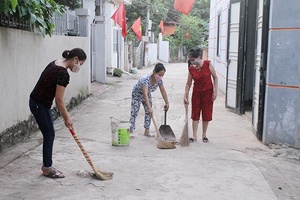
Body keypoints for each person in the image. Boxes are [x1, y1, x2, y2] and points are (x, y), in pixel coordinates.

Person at [29, 48, 87, 178]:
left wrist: (65, 116)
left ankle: (47, 165)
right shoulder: (63, 74)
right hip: (40, 105)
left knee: (49, 133)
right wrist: (67, 117)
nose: (79, 67)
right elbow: (59, 100)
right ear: (75, 59)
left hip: (37, 102)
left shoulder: (56, 63)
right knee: (49, 134)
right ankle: (47, 168)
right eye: (80, 64)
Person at [183, 50, 218, 143]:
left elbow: (215, 77)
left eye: (193, 59)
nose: (192, 62)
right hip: (196, 93)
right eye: (190, 60)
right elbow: (188, 83)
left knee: (206, 113)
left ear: (199, 57)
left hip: (208, 92)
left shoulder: (207, 64)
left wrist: (215, 91)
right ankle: (194, 136)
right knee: (195, 113)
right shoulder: (191, 69)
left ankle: (204, 135)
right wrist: (185, 94)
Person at [130, 63, 169, 137]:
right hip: (137, 93)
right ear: (154, 72)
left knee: (149, 112)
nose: (160, 76)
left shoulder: (159, 80)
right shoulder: (146, 79)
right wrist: (149, 107)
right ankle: (130, 130)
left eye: (162, 75)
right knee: (134, 112)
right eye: (159, 74)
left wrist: (167, 102)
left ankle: (147, 131)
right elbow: (144, 94)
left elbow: (163, 91)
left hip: (147, 94)